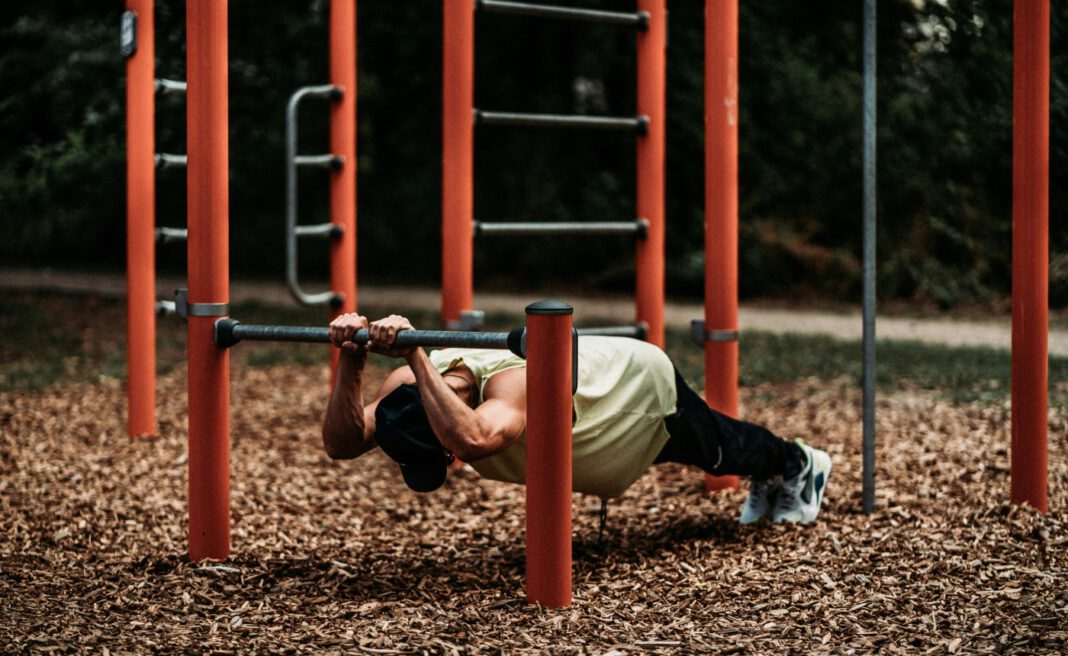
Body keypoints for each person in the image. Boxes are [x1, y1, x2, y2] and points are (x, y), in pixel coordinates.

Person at [322, 313, 832, 524]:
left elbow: (475, 438)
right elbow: (343, 444)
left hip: (633, 396)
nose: (453, 462)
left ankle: (798, 463)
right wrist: (352, 359)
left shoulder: (509, 385)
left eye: (444, 455)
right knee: (720, 448)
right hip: (599, 430)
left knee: (722, 449)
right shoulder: (408, 392)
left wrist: (414, 354)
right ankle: (774, 468)